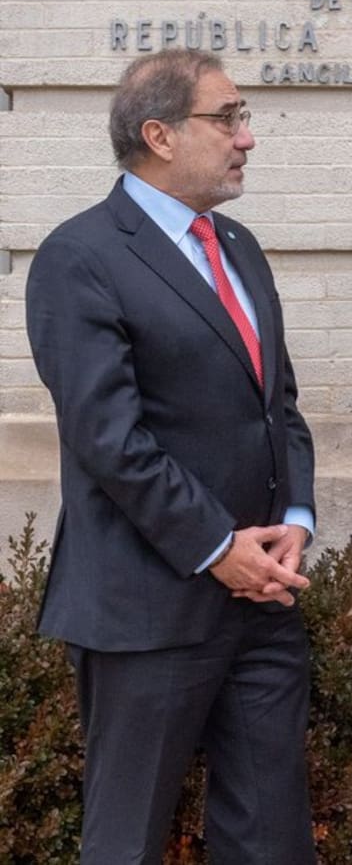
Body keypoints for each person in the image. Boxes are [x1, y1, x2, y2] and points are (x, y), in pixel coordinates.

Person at [26, 49, 317, 864]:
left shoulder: (241, 246)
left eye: (243, 117)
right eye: (227, 118)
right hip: (143, 610)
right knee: (125, 839)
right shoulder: (79, 257)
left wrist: (293, 519)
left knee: (272, 837)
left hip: (263, 600)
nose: (247, 137)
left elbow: (278, 406)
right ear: (158, 134)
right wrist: (217, 547)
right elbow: (108, 438)